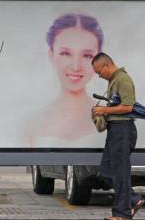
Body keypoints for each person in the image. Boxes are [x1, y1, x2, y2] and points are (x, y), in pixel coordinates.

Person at [26, 13, 104, 146]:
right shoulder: (31, 122)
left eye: (87, 55)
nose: (76, 66)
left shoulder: (114, 120)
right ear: (51, 55)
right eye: (66, 54)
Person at [92, 53, 145, 220]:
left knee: (120, 173)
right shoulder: (113, 81)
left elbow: (128, 107)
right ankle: (133, 199)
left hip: (123, 130)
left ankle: (121, 214)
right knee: (106, 171)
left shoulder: (123, 79)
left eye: (99, 72)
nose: (99, 76)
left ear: (106, 65)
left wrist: (104, 110)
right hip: (115, 130)